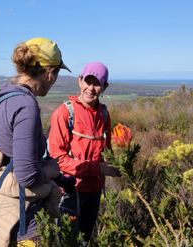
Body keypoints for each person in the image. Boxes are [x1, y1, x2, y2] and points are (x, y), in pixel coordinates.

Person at [0, 37, 71, 247]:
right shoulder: (25, 105)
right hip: (19, 219)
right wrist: (53, 171)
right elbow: (26, 175)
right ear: (50, 73)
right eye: (57, 73)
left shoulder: (2, 95)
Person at [48, 61, 121, 242]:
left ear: (105, 87)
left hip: (94, 193)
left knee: (85, 240)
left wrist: (120, 166)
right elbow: (58, 159)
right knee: (66, 240)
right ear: (80, 81)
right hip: (69, 192)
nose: (90, 88)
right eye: (87, 81)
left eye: (96, 83)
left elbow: (107, 153)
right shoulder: (65, 113)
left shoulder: (104, 114)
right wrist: (98, 169)